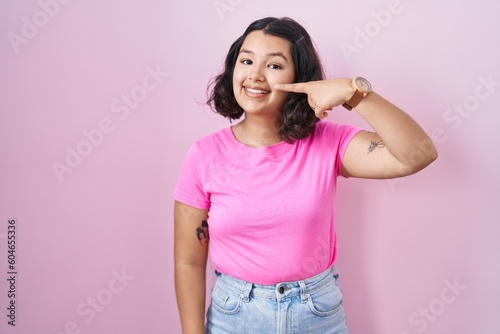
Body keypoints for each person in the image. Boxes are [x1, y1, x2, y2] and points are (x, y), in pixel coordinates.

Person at [173, 16, 437, 334]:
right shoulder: (203, 155)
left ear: (300, 77)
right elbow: (188, 261)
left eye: (274, 65)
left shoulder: (329, 142)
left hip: (316, 313)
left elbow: (417, 154)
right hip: (235, 315)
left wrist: (354, 94)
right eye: (246, 60)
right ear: (233, 68)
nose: (255, 75)